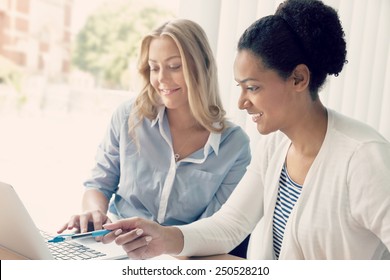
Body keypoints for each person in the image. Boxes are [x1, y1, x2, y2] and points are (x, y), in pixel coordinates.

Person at [101, 0, 390, 260]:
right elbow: (231, 225)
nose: (241, 102)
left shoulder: (363, 158)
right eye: (240, 87)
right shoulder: (276, 146)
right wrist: (164, 238)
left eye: (253, 87)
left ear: (298, 79)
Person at [58, 19, 251, 256]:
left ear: (202, 67)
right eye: (154, 67)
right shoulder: (129, 116)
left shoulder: (235, 146)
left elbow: (214, 229)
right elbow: (98, 184)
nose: (161, 79)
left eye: (174, 66)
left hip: (180, 258)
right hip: (118, 249)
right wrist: (95, 213)